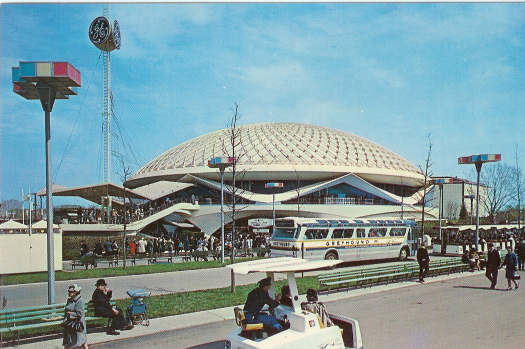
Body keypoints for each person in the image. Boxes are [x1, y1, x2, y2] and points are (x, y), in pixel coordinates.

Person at [63, 284, 88, 349]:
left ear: (75, 292)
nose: (69, 293)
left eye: (71, 292)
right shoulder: (69, 300)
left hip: (77, 324)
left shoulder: (80, 300)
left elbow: (80, 314)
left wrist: (70, 313)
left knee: (78, 341)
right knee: (69, 341)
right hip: (69, 323)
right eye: (69, 291)